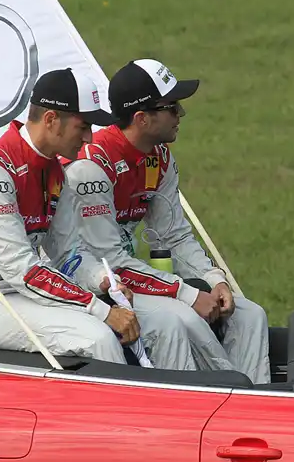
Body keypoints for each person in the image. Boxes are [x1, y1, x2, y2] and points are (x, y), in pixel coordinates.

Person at [57, 58, 270, 382]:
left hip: (129, 279)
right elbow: (109, 261)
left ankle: (257, 404)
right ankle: (217, 403)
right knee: (179, 318)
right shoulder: (91, 168)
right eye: (172, 107)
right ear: (142, 118)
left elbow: (174, 236)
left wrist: (215, 280)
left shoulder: (159, 157)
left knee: (250, 314)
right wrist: (186, 294)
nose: (181, 114)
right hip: (91, 284)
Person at [0, 68, 139, 363]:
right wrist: (101, 310)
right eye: (83, 126)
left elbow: (68, 254)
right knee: (97, 336)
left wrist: (103, 280)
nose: (89, 137)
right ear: (51, 120)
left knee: (136, 323)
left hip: (26, 292)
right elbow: (21, 269)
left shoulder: (54, 170)